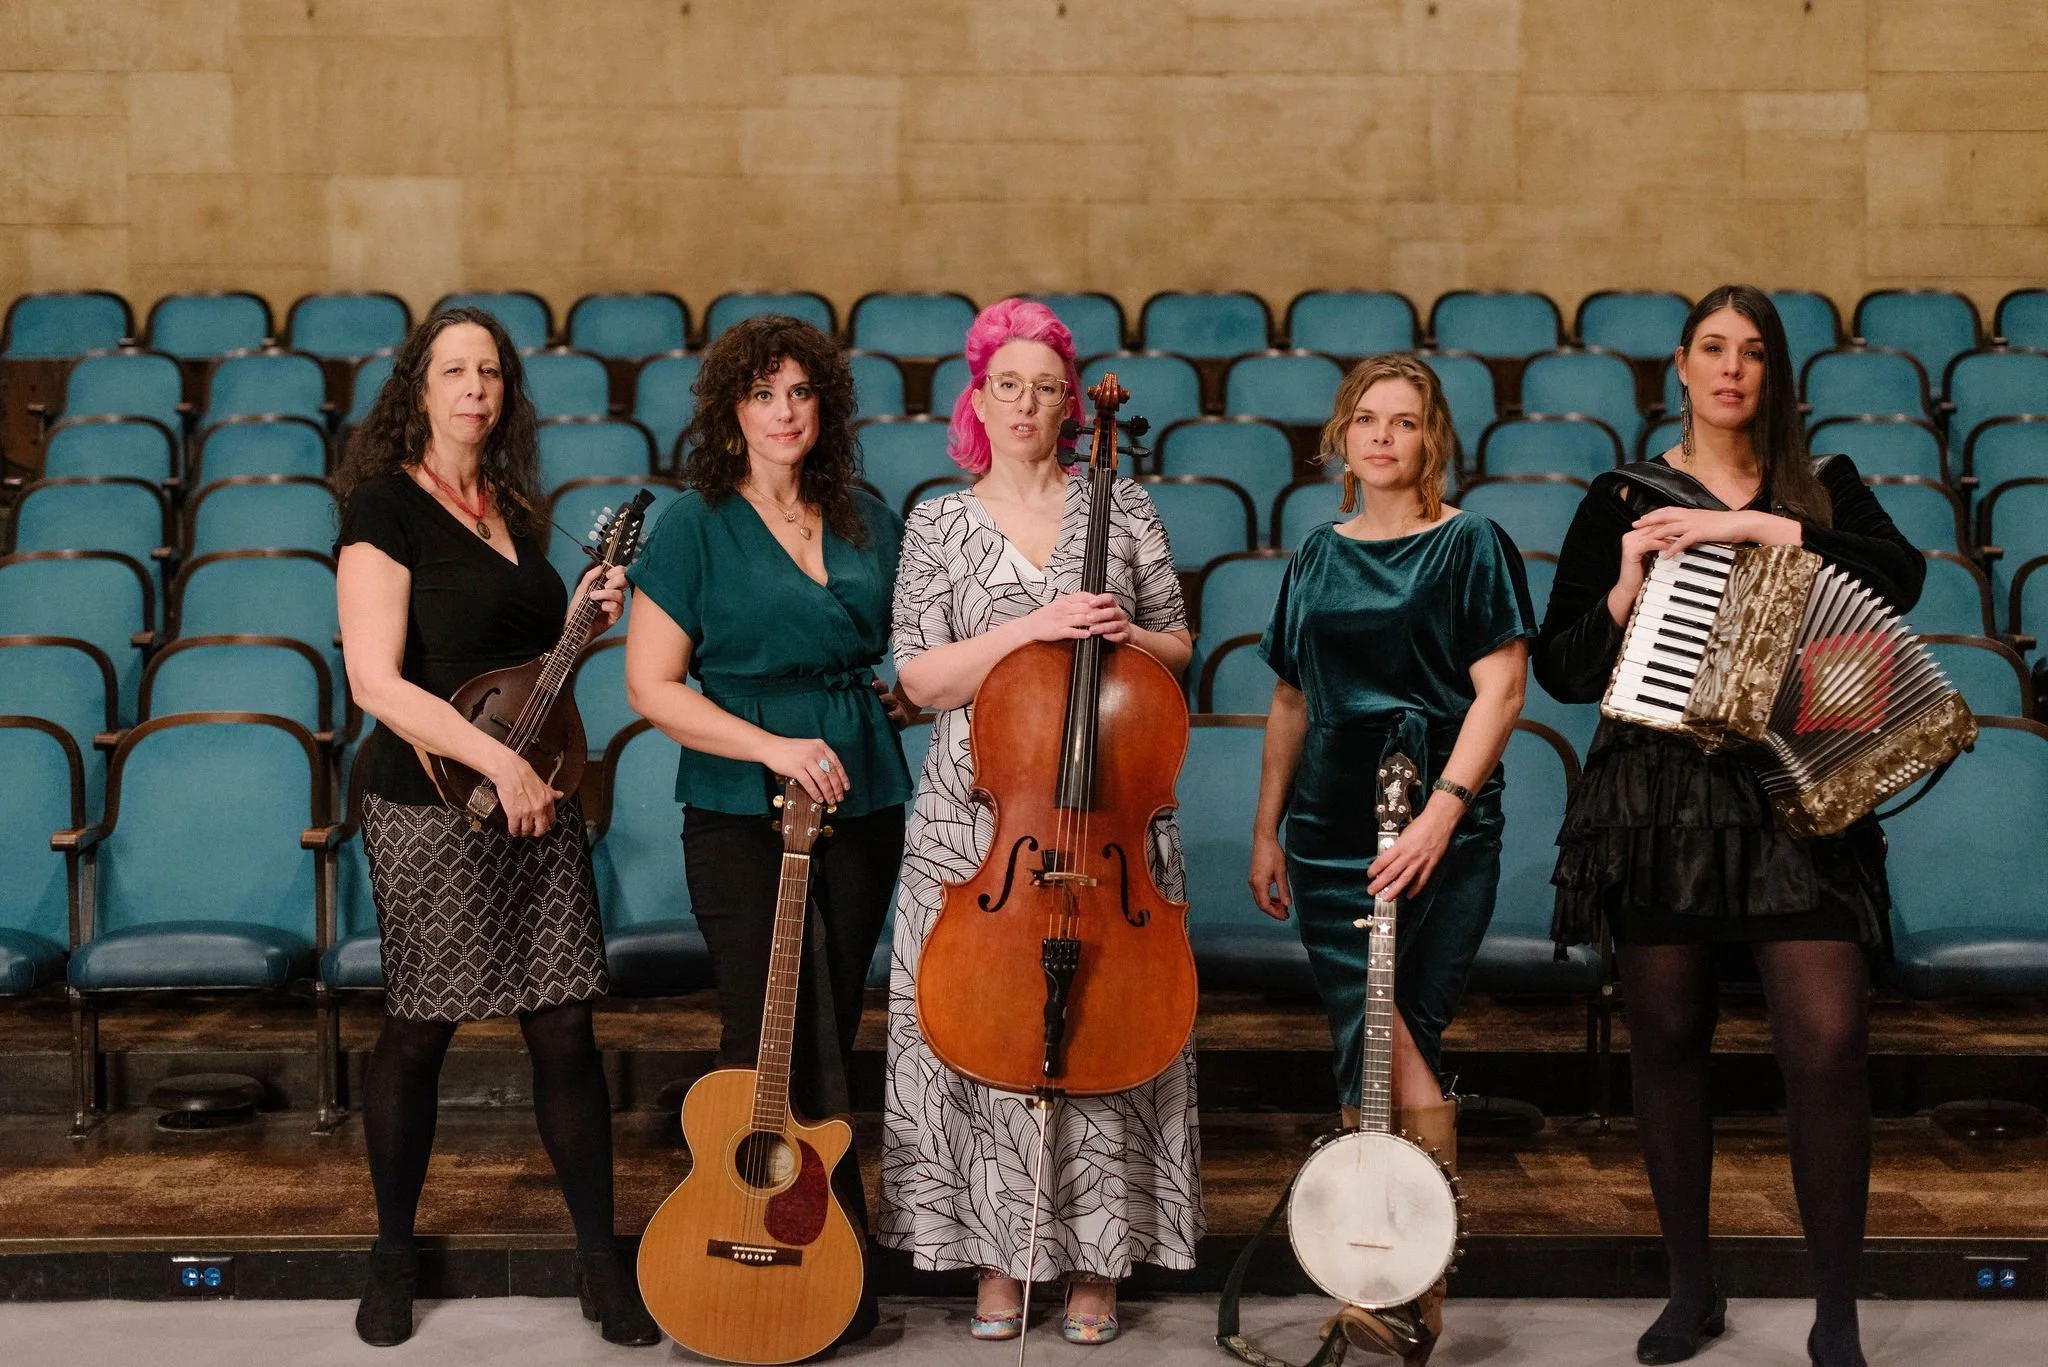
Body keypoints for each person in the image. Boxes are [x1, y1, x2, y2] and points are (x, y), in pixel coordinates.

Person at [1535, 285, 1923, 1367]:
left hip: (1791, 787)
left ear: (1771, 372)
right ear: (1680, 362)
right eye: (1712, 347)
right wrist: (1621, 585)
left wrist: (1755, 524)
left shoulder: (1821, 485)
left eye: (1751, 352)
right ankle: (1689, 1287)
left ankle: (1834, 1309)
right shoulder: (1622, 494)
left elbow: (1901, 579)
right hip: (1656, 795)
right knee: (1663, 1037)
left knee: (1828, 1040)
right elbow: (1563, 667)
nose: (1730, 368)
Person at [878, 299, 1201, 1346]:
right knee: (978, 1022)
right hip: (982, 824)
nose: (1026, 401)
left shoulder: (1123, 502)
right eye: (1005, 383)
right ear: (976, 396)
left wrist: (1130, 636)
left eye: (1046, 385)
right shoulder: (935, 519)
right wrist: (1034, 626)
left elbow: (1181, 646)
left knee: (1108, 1015)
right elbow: (921, 676)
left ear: (1073, 404)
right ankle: (991, 1255)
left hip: (1106, 810)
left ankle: (1096, 1261)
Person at [334, 307, 656, 1348]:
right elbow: (377, 680)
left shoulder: (512, 507)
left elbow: (519, 670)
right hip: (430, 802)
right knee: (420, 1027)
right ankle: (392, 1252)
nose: (474, 387)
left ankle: (598, 1259)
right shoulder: (383, 507)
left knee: (563, 1025)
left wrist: (584, 622)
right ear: (416, 388)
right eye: (453, 370)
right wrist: (501, 764)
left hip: (535, 795)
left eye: (490, 371)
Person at [623, 314, 909, 1344]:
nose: (783, 412)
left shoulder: (869, 517)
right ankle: (767, 1258)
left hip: (864, 790)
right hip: (741, 800)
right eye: (761, 394)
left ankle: (817, 1265)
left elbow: (901, 664)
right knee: (762, 1029)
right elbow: (651, 685)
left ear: (822, 405)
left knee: (830, 1017)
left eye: (799, 392)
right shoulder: (695, 523)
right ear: (730, 410)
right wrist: (771, 745)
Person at [1248, 352, 1533, 1363]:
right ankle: (1378, 1276)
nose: (1381, 436)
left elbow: (1500, 690)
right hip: (1328, 834)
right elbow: (1289, 699)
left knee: (1401, 1026)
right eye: (1364, 418)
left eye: (1402, 421)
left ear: (1430, 437)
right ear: (1341, 435)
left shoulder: (1469, 545)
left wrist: (1440, 814)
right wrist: (1263, 826)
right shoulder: (1316, 554)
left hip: (1438, 830)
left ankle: (1413, 1282)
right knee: (1357, 1041)